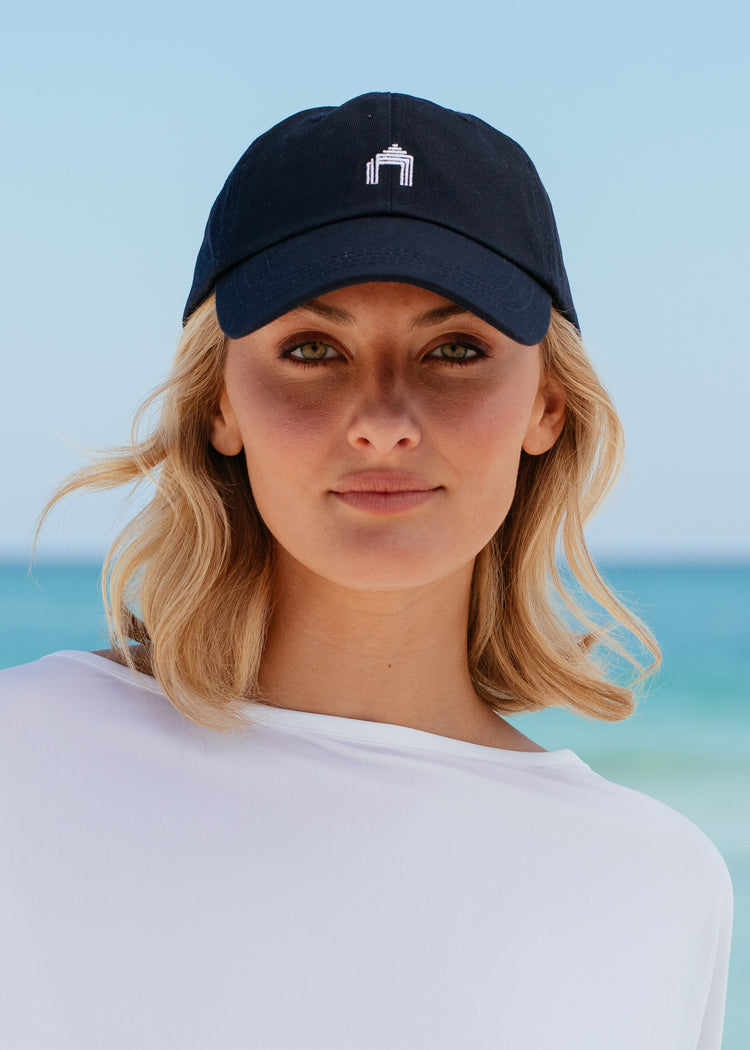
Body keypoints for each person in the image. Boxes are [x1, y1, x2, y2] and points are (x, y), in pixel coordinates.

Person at [0, 93, 732, 1049]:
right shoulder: (24, 759)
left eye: (455, 351)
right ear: (220, 401)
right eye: (313, 350)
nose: (383, 418)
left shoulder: (657, 885)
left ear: (547, 406)